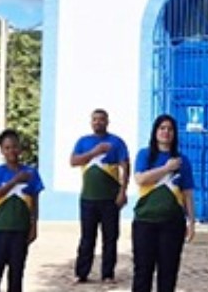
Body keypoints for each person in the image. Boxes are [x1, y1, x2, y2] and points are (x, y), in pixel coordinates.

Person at [132, 114, 196, 292]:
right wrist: (166, 168)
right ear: (155, 132)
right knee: (143, 271)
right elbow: (140, 179)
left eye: (170, 129)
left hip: (172, 223)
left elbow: (188, 193)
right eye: (162, 128)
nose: (166, 132)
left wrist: (191, 221)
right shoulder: (145, 155)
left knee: (168, 272)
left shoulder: (183, 161)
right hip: (145, 221)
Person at [70, 108, 130, 284]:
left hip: (110, 199)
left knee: (110, 238)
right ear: (91, 122)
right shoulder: (83, 141)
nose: (98, 122)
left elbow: (125, 166)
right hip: (88, 198)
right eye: (95, 119)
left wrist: (123, 191)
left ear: (107, 121)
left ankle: (107, 273)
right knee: (87, 237)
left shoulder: (116, 142)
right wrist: (94, 152)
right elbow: (73, 161)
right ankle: (81, 273)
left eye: (101, 119)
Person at [0, 128, 44, 292]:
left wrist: (34, 226)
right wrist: (15, 181)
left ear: (20, 148)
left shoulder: (31, 173)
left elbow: (35, 202)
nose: (12, 151)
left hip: (20, 230)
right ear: (2, 150)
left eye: (15, 146)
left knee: (16, 276)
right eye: (7, 148)